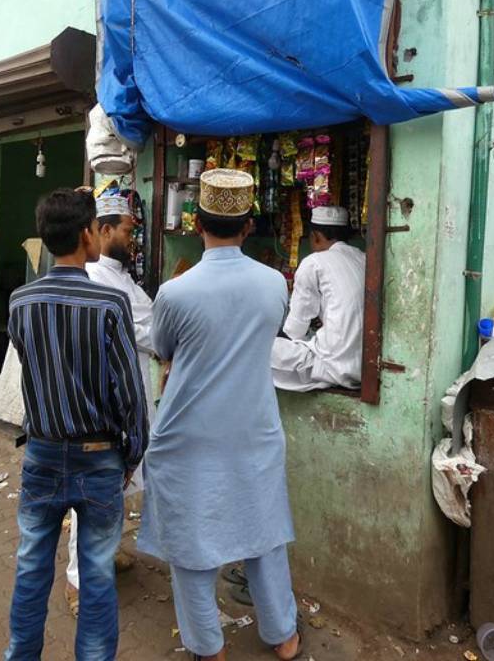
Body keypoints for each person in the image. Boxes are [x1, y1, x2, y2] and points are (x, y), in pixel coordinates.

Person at [138, 169, 302, 661]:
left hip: (188, 431)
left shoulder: (177, 292)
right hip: (254, 428)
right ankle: (284, 637)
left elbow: (163, 349)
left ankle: (208, 647)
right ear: (249, 226)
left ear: (197, 223)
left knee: (190, 544)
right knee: (265, 532)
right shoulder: (273, 283)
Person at [5, 188, 149, 661]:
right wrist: (132, 454)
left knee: (31, 567)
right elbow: (131, 393)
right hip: (99, 458)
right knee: (96, 573)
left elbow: (34, 372)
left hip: (43, 453)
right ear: (88, 235)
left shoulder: (21, 302)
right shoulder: (110, 304)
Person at [64, 192, 155, 614]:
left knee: (112, 491)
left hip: (128, 403)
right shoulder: (96, 278)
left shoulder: (123, 277)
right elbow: (146, 331)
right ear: (102, 230)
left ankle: (105, 554)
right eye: (127, 229)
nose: (132, 237)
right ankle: (79, 581)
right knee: (92, 495)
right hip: (105, 406)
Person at [271, 206, 365, 392]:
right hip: (363, 366)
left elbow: (295, 329)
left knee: (255, 349)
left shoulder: (314, 262)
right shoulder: (363, 258)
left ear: (315, 236)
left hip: (333, 366)